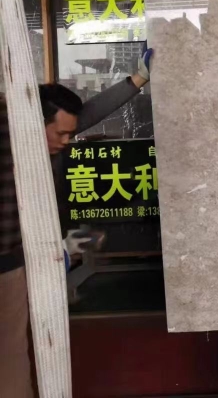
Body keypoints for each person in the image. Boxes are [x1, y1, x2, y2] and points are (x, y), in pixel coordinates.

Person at [0, 48, 153, 398]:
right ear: (30, 122)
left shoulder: (44, 134)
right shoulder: (8, 138)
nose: (67, 142)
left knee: (12, 360)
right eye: (62, 134)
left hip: (13, 266)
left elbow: (88, 114)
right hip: (9, 264)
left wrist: (139, 78)